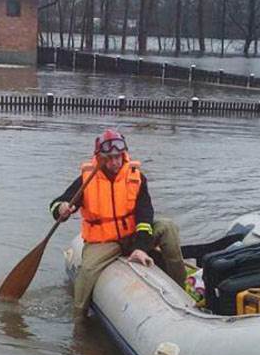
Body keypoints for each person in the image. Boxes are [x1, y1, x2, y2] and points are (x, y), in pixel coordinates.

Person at [51, 128, 185, 317]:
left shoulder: (136, 178)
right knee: (87, 272)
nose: (115, 162)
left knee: (168, 227)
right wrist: (61, 208)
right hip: (103, 242)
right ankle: (79, 318)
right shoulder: (86, 180)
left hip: (132, 235)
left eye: (118, 156)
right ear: (101, 158)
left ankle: (180, 287)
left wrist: (140, 247)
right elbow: (57, 204)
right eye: (110, 157)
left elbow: (145, 214)